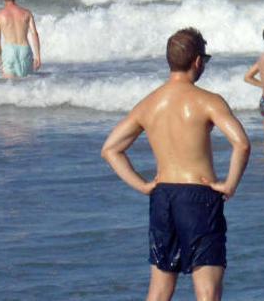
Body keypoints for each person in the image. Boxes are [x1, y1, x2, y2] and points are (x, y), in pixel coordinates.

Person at [101, 28, 251, 301]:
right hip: (199, 197)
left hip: (163, 197)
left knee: (159, 292)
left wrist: (144, 185)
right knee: (207, 292)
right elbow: (241, 143)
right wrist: (230, 184)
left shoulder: (149, 103)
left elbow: (111, 149)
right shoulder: (208, 101)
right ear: (197, 61)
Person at [0, 0, 41, 78]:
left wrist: (0, 59)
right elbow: (34, 34)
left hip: (9, 51)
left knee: (9, 86)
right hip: (25, 49)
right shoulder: (27, 13)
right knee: (27, 85)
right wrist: (38, 56)